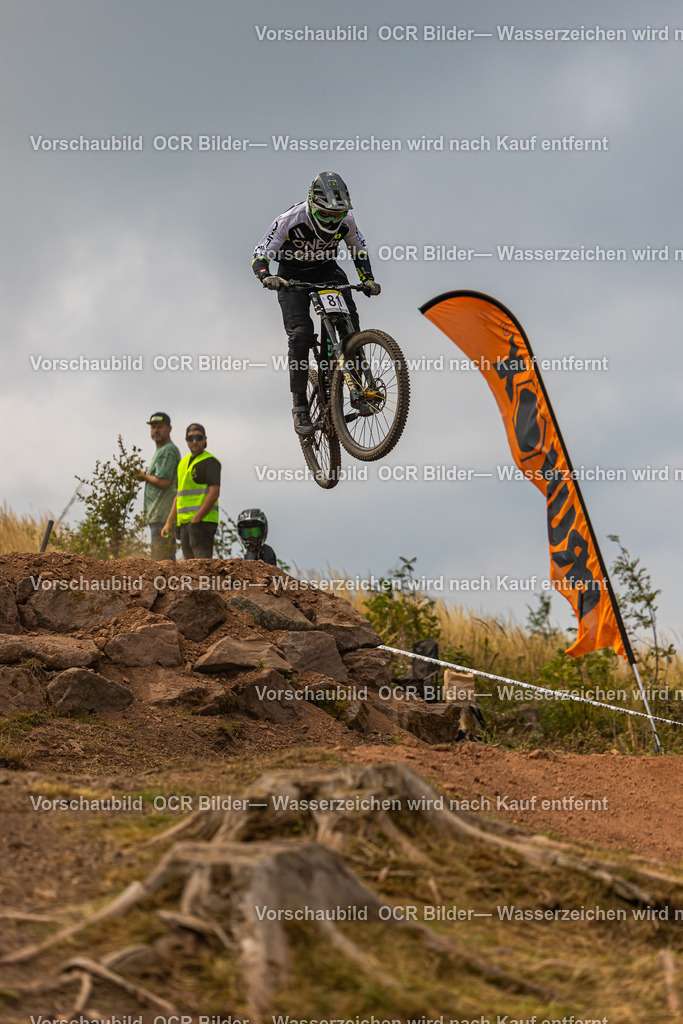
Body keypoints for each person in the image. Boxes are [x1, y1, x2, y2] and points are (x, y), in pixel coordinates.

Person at [252, 170, 381, 437]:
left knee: (351, 330)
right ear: (312, 205)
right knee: (299, 335)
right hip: (291, 277)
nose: (333, 220)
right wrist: (267, 276)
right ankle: (300, 404)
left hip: (326, 271)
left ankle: (357, 385)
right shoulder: (290, 219)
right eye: (326, 214)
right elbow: (261, 253)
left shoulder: (348, 220)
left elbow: (357, 248)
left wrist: (367, 279)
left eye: (337, 214)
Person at [162, 423, 221, 559]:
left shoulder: (210, 462)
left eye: (198, 437)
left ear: (205, 439)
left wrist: (196, 519)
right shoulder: (182, 463)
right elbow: (179, 496)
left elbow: (214, 493)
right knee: (190, 569)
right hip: (184, 525)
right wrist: (169, 523)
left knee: (202, 568)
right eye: (191, 438)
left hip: (203, 523)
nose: (194, 441)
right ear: (186, 440)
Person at [140, 412, 181, 561]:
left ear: (169, 429)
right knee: (161, 559)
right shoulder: (162, 450)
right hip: (158, 515)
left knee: (162, 561)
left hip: (163, 515)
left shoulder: (167, 451)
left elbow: (164, 482)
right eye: (153, 427)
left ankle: (166, 584)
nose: (156, 430)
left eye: (160, 427)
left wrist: (144, 476)